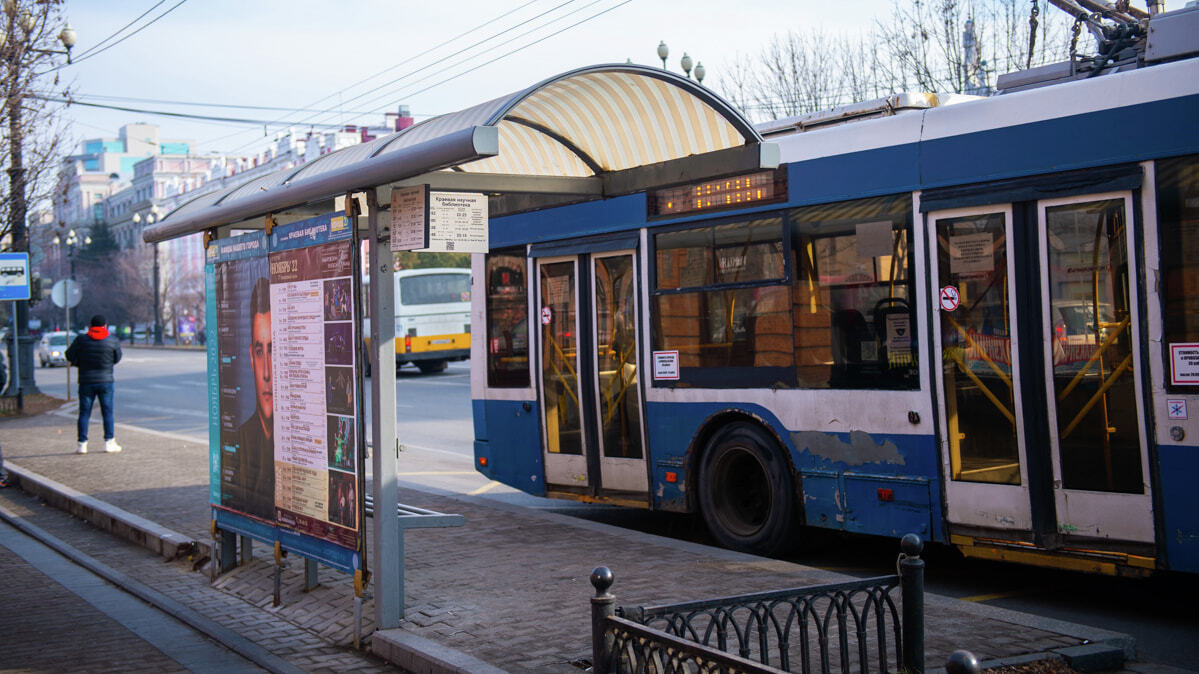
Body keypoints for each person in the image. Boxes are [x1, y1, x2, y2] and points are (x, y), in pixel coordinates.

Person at [232, 277, 275, 519]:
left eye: (274, 350)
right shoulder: (240, 440)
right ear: (251, 356)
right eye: (260, 351)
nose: (266, 372)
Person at [66, 314, 122, 454]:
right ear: (105, 326)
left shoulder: (81, 340)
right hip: (106, 381)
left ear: (91, 326)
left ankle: (82, 444)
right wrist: (107, 365)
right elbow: (117, 357)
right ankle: (109, 442)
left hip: (86, 381)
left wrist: (79, 363)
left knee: (84, 413)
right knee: (107, 412)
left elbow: (69, 355)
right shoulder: (112, 340)